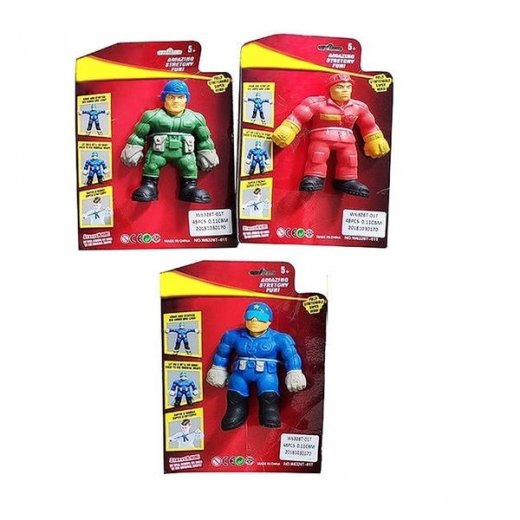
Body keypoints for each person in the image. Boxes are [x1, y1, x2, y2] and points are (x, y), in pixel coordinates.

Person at [272, 73, 390, 197]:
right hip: (321, 139)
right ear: (330, 88)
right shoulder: (316, 103)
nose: (345, 90)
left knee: (349, 160)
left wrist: (375, 139)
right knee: (317, 158)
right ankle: (314, 177)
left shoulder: (359, 107)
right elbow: (298, 116)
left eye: (348, 87)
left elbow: (369, 125)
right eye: (340, 87)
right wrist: (288, 128)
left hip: (348, 141)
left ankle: (347, 180)